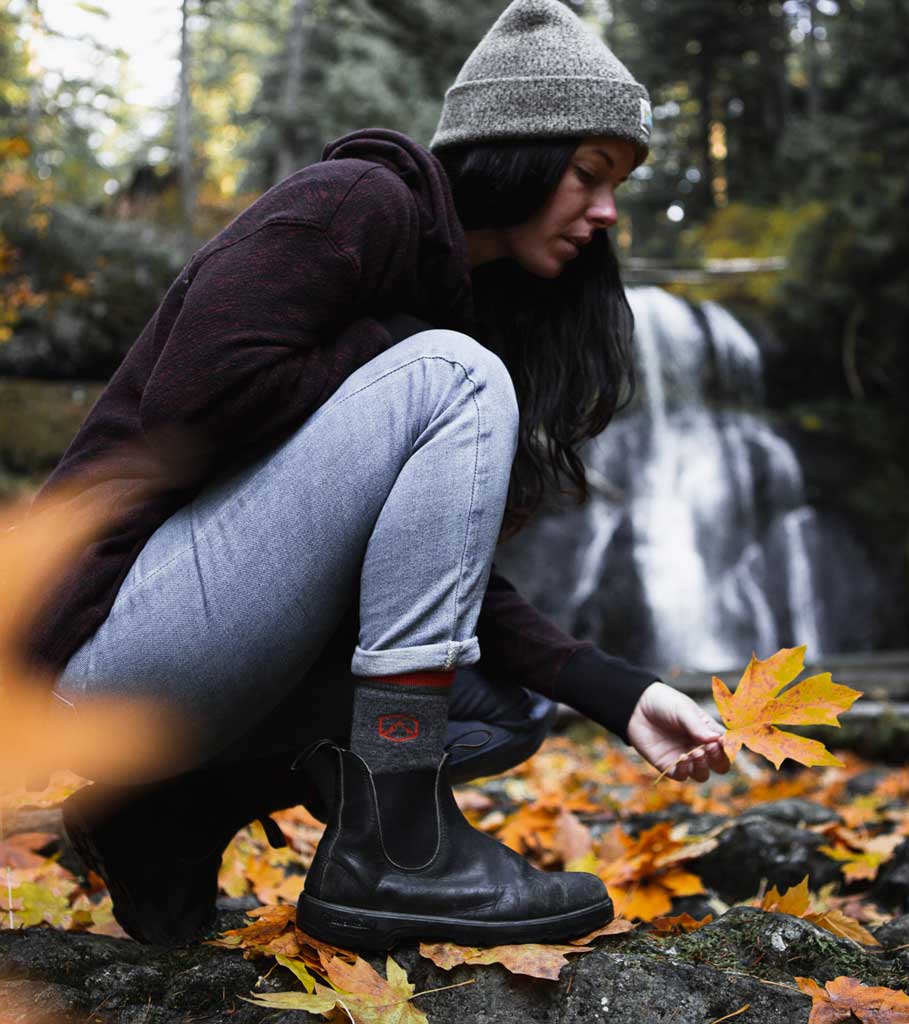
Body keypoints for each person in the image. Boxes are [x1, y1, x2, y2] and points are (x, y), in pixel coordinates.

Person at [34, 0, 730, 950]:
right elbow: (189, 407)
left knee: (503, 702)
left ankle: (163, 814)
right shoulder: (357, 203)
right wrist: (410, 347)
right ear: (516, 150)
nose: (606, 212)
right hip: (103, 651)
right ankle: (399, 848)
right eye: (589, 173)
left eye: (617, 187)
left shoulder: (466, 308)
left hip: (197, 662)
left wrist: (615, 691)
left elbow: (440, 588)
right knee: (452, 371)